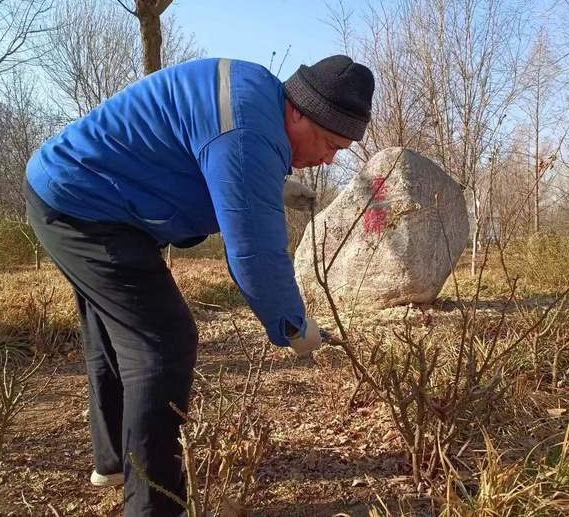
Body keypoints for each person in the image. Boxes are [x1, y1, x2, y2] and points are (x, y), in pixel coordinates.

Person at [23, 55, 374, 516]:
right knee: (163, 345)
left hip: (76, 187)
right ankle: (155, 504)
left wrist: (273, 182)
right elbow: (254, 252)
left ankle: (114, 462)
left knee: (115, 334)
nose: (327, 159)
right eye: (329, 143)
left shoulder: (258, 93)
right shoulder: (248, 132)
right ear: (298, 111)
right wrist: (292, 325)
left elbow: (205, 145)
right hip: (84, 204)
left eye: (339, 151)